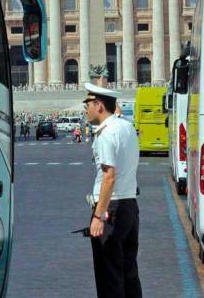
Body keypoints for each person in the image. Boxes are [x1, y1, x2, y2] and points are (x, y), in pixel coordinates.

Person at [82, 82, 141, 298]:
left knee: (109, 276)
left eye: (87, 103)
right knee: (129, 272)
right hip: (129, 207)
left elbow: (109, 177)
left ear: (99, 105)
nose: (85, 109)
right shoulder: (126, 127)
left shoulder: (105, 134)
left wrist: (98, 215)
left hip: (111, 209)